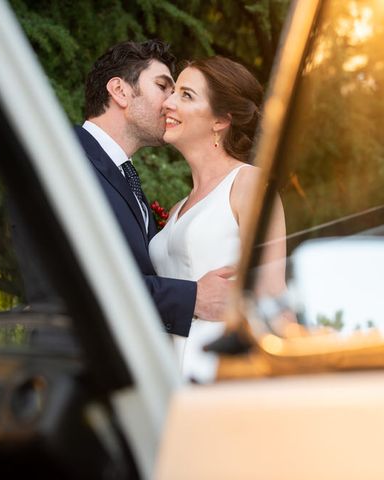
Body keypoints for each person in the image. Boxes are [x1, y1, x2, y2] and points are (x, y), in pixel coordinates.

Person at [74, 40, 233, 337]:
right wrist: (193, 297)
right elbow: (81, 279)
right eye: (164, 87)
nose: (172, 103)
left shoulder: (127, 181)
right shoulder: (68, 161)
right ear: (120, 91)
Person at [149, 56, 286, 382]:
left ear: (220, 121)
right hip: (169, 378)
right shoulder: (180, 206)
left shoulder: (249, 183)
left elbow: (272, 299)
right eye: (172, 93)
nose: (167, 103)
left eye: (186, 95)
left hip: (223, 375)